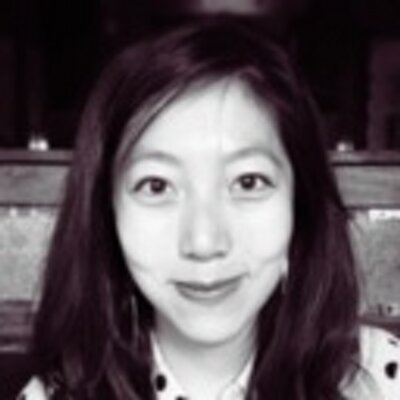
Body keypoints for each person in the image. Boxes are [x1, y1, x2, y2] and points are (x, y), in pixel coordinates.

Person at [19, 15, 400, 400]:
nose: (204, 242)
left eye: (248, 182)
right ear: (107, 215)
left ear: (300, 207)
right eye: (156, 186)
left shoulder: (382, 379)